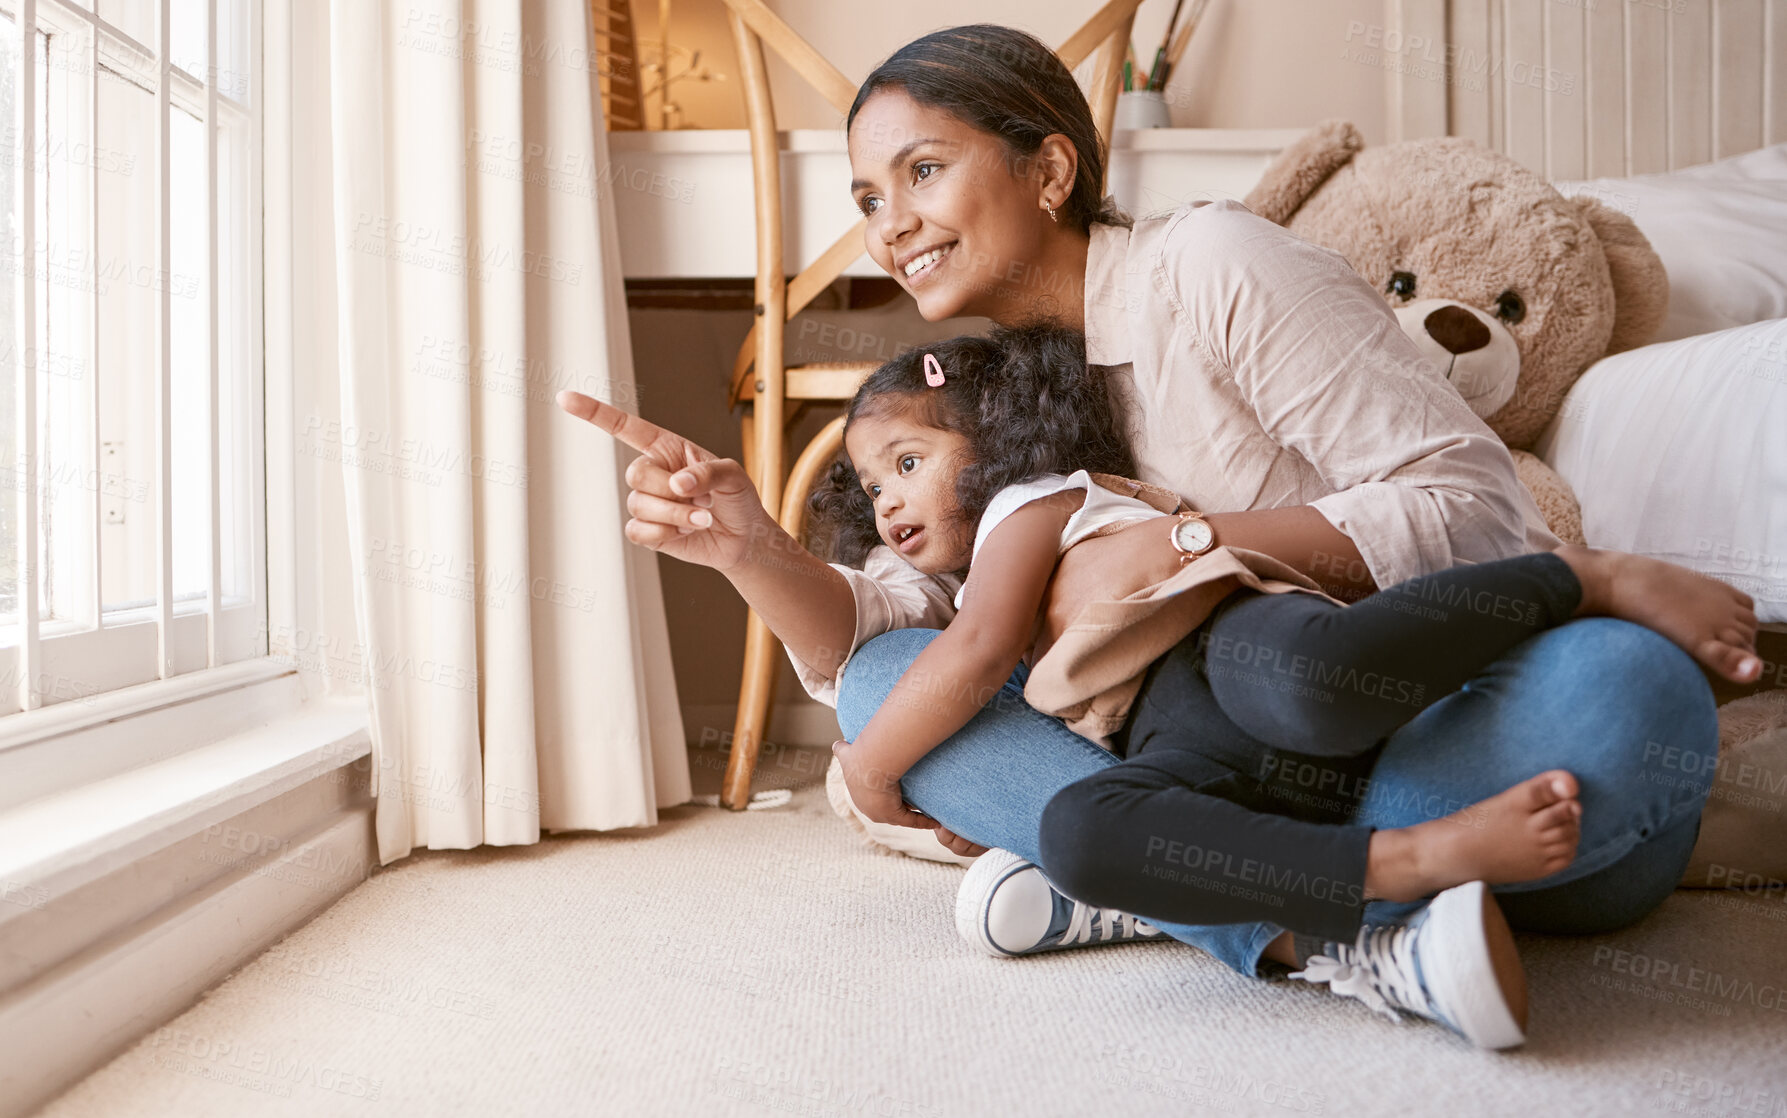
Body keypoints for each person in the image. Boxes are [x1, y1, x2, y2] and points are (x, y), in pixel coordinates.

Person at [559, 22, 1758, 1047]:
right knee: (887, 689)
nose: (890, 225)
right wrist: (745, 546)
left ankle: (1173, 887)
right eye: (869, 199)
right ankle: (1317, 904)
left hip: (1397, 708)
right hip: (1216, 763)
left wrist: (1188, 545)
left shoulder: (1209, 264)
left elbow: (1473, 507)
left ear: (1048, 167)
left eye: (921, 172)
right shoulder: (986, 403)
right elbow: (900, 635)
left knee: (1626, 700)